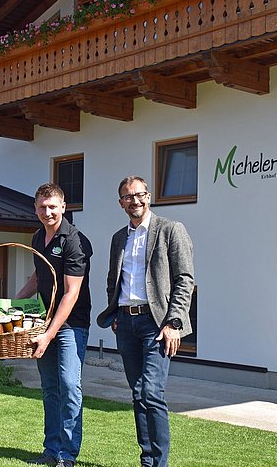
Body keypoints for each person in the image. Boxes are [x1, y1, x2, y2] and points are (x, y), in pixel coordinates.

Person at [97, 176, 194, 467]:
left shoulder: (170, 230)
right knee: (138, 394)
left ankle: (159, 463)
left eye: (139, 195)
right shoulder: (118, 238)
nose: (134, 201)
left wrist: (174, 322)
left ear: (149, 196)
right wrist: (115, 313)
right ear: (121, 203)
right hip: (126, 323)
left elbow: (185, 280)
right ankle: (148, 461)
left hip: (158, 324)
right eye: (128, 197)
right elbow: (113, 280)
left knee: (152, 392)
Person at [16, 183, 92, 467]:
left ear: (63, 207)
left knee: (70, 386)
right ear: (35, 208)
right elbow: (38, 277)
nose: (47, 212)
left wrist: (48, 335)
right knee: (50, 388)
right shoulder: (38, 237)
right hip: (45, 323)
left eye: (52, 206)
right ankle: (51, 449)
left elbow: (71, 293)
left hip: (71, 325)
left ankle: (67, 455)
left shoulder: (75, 241)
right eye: (42, 207)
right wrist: (11, 302)